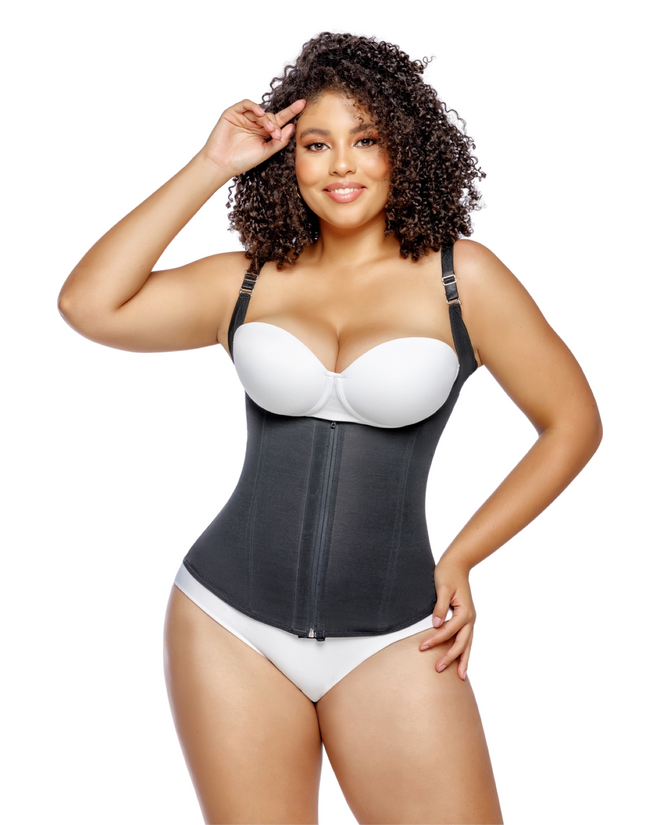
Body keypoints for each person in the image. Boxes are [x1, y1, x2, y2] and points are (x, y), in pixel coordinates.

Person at [57, 31, 602, 825]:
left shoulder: (464, 280)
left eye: (366, 139)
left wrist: (462, 554)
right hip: (227, 624)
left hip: (396, 635)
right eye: (316, 144)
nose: (341, 164)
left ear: (404, 148)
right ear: (289, 157)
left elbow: (573, 423)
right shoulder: (248, 280)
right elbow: (88, 304)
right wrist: (211, 164)